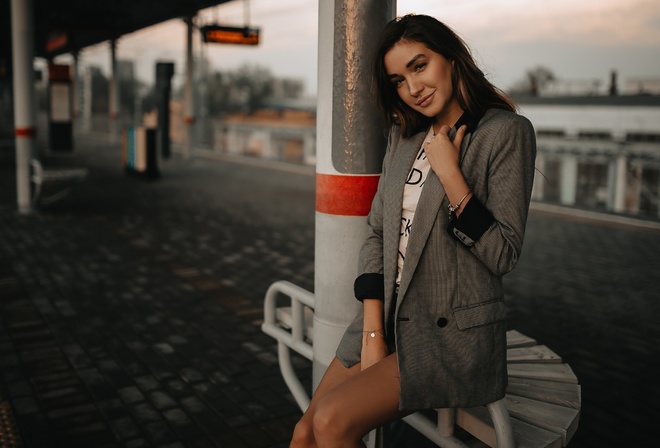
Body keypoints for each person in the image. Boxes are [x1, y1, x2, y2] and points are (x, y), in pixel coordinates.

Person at [290, 13, 537, 447]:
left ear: (451, 58)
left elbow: (503, 254)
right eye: (398, 80)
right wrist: (371, 334)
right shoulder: (404, 137)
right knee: (305, 430)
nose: (412, 88)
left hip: (449, 335)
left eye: (419, 66)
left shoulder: (505, 132)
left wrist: (451, 176)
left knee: (331, 422)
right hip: (385, 318)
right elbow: (378, 235)